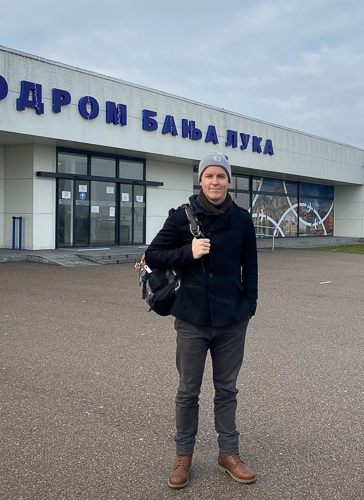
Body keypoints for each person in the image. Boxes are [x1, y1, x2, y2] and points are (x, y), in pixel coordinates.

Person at [144, 152, 258, 487]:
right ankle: (183, 458)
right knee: (187, 391)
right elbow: (153, 254)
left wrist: (249, 305)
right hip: (193, 318)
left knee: (226, 390)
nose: (215, 182)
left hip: (232, 319)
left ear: (229, 180)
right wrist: (188, 253)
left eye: (220, 176)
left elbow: (250, 267)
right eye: (209, 175)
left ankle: (228, 454)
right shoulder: (182, 216)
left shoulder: (242, 218)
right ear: (200, 180)